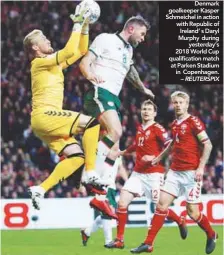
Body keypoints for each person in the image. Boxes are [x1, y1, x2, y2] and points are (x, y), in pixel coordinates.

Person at [24, 5, 107, 212]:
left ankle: (40, 189)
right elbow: (69, 50)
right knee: (92, 123)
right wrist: (77, 22)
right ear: (35, 48)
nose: (48, 41)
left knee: (76, 157)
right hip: (45, 116)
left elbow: (79, 51)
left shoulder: (53, 65)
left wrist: (85, 27)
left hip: (44, 123)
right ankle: (91, 172)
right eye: (44, 40)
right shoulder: (38, 63)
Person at [79, 15, 155, 217]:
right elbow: (85, 62)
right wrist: (89, 75)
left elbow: (130, 72)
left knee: (114, 152)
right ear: (131, 29)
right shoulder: (105, 39)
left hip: (113, 98)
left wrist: (142, 88)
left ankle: (99, 197)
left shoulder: (128, 50)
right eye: (142, 33)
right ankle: (90, 174)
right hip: (99, 92)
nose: (143, 38)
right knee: (116, 131)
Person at [131, 91, 217, 254]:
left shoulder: (194, 122)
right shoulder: (175, 124)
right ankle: (148, 243)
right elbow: (171, 146)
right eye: (175, 102)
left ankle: (211, 234)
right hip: (175, 173)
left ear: (187, 104)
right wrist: (159, 158)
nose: (177, 105)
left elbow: (208, 145)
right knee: (161, 205)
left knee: (193, 213)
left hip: (191, 174)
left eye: (180, 102)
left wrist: (201, 168)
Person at [104, 99, 187, 249]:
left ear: (154, 113)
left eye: (149, 109)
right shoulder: (140, 128)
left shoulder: (158, 129)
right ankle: (119, 240)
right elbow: (137, 145)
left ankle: (179, 220)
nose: (146, 111)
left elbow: (170, 144)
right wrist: (123, 152)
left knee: (159, 208)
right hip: (137, 174)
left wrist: (156, 158)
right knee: (122, 202)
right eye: (144, 109)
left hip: (154, 175)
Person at [80, 156, 128, 247]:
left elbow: (120, 168)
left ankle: (87, 232)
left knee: (107, 213)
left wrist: (127, 181)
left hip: (111, 186)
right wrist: (82, 182)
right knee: (107, 212)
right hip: (101, 185)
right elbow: (88, 164)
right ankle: (108, 241)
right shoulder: (102, 149)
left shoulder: (117, 153)